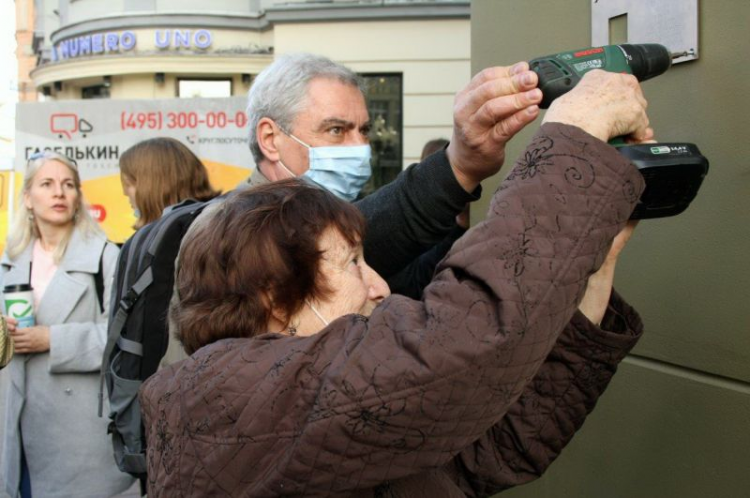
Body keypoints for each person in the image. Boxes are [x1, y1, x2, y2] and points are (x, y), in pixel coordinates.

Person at [140, 68, 652, 496]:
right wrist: (574, 138)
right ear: (274, 300)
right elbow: (456, 344)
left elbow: (491, 450)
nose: (381, 287)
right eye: (353, 264)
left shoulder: (318, 412)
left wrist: (595, 264)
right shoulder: (224, 398)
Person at [241, 53, 542, 294]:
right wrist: (457, 167)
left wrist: (459, 222)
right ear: (270, 139)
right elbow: (331, 242)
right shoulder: (231, 234)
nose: (360, 147)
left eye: (364, 131)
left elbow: (414, 284)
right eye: (336, 130)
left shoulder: (343, 207)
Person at [0, 152, 135, 496]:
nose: (59, 193)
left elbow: (121, 337)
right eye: (47, 184)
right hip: (13, 420)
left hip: (80, 431)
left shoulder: (104, 255)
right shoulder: (10, 260)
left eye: (68, 185)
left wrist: (51, 340)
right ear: (28, 198)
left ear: (77, 198)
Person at [119, 137, 220, 229]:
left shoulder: (178, 238)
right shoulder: (217, 223)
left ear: (156, 185)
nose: (125, 192)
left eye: (128, 184)